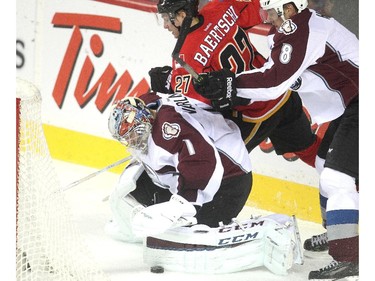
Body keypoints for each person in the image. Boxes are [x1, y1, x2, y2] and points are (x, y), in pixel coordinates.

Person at [192, 0, 359, 279]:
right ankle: (338, 234)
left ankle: (349, 256)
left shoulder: (302, 28)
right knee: (323, 162)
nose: (266, 18)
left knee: (336, 178)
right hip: (353, 100)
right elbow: (291, 76)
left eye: (271, 12)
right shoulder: (294, 29)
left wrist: (231, 85)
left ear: (289, 9)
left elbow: (273, 81)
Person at [105, 94, 304, 275]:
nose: (132, 141)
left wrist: (181, 205)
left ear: (145, 120)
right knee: (132, 193)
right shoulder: (153, 109)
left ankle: (274, 228)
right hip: (202, 170)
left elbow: (202, 162)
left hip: (227, 182)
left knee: (183, 238)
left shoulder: (169, 129)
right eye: (127, 138)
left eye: (134, 134)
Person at [150, 0, 322, 170]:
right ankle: (342, 175)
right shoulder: (221, 8)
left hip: (254, 115)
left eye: (167, 18)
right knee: (308, 148)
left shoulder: (185, 57)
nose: (165, 25)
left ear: (182, 14)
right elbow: (262, 10)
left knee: (219, 169)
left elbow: (195, 108)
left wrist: (170, 83)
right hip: (281, 94)